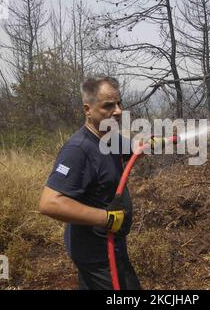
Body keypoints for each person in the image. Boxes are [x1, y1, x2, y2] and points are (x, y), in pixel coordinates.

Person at [39, 76, 142, 290]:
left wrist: (151, 143)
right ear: (88, 109)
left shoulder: (108, 137)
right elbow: (49, 203)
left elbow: (132, 149)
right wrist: (106, 218)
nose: (118, 111)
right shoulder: (78, 150)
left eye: (119, 103)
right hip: (97, 256)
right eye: (108, 106)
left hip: (111, 247)